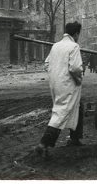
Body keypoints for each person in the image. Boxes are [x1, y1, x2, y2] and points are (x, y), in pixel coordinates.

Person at [35, 21, 84, 157]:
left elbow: (46, 64)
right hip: (68, 84)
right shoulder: (74, 46)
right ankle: (43, 144)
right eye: (79, 34)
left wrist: (55, 74)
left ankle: (75, 138)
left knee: (78, 106)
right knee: (61, 112)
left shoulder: (56, 46)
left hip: (56, 83)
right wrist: (78, 79)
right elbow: (75, 68)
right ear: (75, 34)